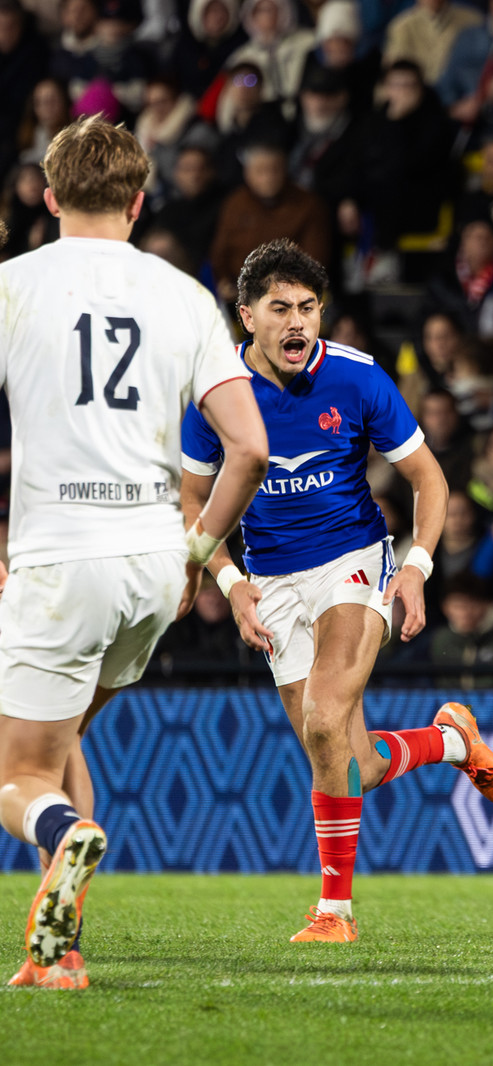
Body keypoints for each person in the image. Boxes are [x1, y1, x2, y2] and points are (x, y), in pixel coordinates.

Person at [178, 239, 493, 945]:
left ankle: (335, 912)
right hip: (268, 578)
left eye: (308, 307)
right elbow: (192, 500)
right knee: (347, 761)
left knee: (326, 719)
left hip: (353, 562)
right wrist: (232, 584)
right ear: (247, 317)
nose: (298, 321)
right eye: (280, 309)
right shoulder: (213, 393)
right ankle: (451, 743)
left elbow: (430, 478)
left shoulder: (358, 378)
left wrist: (417, 564)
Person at [1, 117, 268, 990]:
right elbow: (250, 449)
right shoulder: (185, 295)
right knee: (65, 732)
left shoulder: (13, 287)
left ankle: (59, 837)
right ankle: (60, 951)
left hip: (59, 561)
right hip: (153, 568)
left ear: (47, 198)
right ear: (139, 200)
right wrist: (198, 550)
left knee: (18, 777)